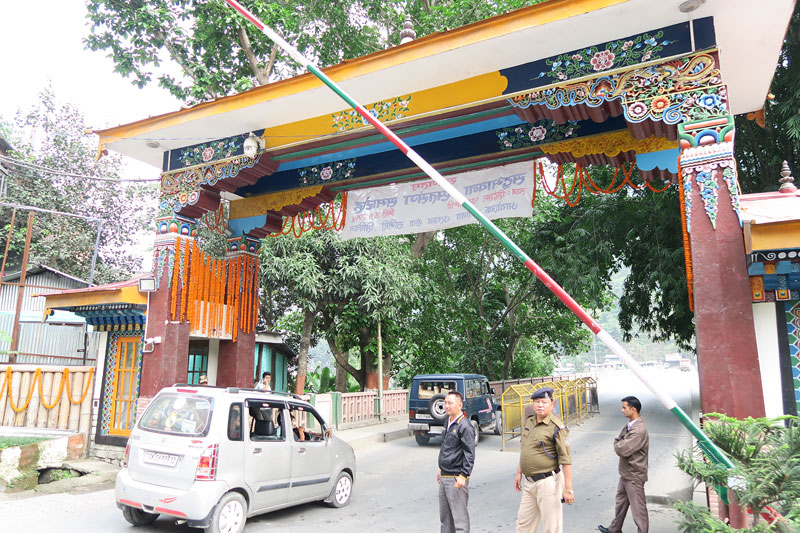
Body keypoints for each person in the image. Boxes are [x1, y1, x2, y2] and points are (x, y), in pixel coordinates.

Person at [514, 387, 574, 533]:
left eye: (544, 402)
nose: (540, 405)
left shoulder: (557, 427)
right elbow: (526, 450)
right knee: (523, 525)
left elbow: (566, 460)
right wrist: (519, 473)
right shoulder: (530, 421)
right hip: (529, 483)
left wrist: (568, 489)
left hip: (548, 483)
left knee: (551, 528)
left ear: (552, 405)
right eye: (537, 402)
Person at [598, 396, 650, 533]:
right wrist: (618, 443)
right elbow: (619, 441)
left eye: (624, 407)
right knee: (621, 502)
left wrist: (617, 444)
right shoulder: (630, 425)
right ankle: (614, 529)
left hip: (634, 475)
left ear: (633, 409)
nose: (622, 410)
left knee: (638, 509)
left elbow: (621, 449)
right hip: (626, 473)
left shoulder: (639, 430)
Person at [437, 390, 476, 533]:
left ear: (459, 405)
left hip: (456, 477)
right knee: (445, 520)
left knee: (460, 520)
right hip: (445, 475)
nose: (446, 406)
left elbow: (469, 453)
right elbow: (447, 448)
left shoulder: (464, 426)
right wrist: (441, 468)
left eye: (450, 403)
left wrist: (464, 475)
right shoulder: (448, 422)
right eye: (445, 403)